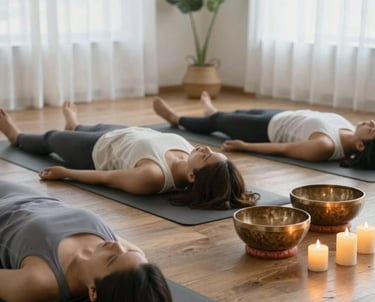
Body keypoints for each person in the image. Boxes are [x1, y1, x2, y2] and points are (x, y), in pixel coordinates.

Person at [0, 103, 257, 210]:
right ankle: (75, 126)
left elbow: (107, 177)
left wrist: (65, 173)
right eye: (211, 151)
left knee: (51, 138)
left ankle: (16, 135)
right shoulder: (189, 155)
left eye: (206, 156)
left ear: (192, 175)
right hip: (122, 134)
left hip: (94, 151)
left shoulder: (153, 177)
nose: (205, 149)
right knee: (83, 128)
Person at [0, 179, 172, 302]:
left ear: (93, 292)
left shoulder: (40, 283)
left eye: (111, 259)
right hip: (26, 195)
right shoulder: (135, 260)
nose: (117, 245)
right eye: (129, 251)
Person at [152, 91, 375, 170]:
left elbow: (284, 148)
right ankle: (212, 111)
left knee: (219, 121)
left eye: (373, 131)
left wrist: (245, 146)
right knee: (239, 111)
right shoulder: (348, 125)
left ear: (359, 145)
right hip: (280, 115)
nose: (372, 123)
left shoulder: (325, 146)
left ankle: (176, 118)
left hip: (265, 130)